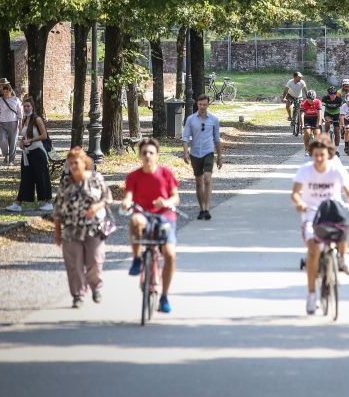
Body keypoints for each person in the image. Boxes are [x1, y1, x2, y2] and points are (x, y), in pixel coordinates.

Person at [291, 136, 349, 314]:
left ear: (328, 154)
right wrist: (299, 203)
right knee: (313, 250)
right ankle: (312, 295)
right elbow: (295, 193)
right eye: (315, 155)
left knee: (343, 225)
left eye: (322, 155)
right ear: (311, 155)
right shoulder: (305, 170)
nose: (319, 159)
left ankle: (344, 258)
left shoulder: (336, 170)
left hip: (332, 211)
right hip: (312, 214)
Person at [122, 137, 180, 314]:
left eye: (151, 153)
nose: (147, 156)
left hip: (165, 217)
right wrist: (126, 202)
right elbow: (129, 196)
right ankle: (137, 258)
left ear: (157, 155)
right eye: (144, 153)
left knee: (169, 254)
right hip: (144, 215)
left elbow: (176, 198)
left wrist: (166, 202)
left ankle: (164, 296)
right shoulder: (133, 176)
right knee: (134, 220)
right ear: (140, 155)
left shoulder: (166, 174)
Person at [52, 146, 112, 308]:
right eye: (70, 163)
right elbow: (57, 209)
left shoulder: (95, 178)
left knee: (95, 260)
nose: (73, 166)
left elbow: (107, 198)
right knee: (74, 264)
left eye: (76, 162)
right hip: (71, 230)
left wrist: (97, 207)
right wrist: (57, 233)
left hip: (94, 228)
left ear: (84, 162)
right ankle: (78, 295)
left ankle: (96, 287)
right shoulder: (65, 183)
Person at [7, 95, 52, 212]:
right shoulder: (25, 119)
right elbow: (25, 135)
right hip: (27, 153)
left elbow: (44, 135)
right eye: (24, 106)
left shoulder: (37, 119)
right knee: (26, 178)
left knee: (42, 177)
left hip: (38, 153)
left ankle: (48, 202)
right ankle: (18, 203)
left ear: (32, 107)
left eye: (28, 106)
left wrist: (30, 140)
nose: (26, 108)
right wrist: (22, 142)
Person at [182, 94, 223, 220]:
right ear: (197, 105)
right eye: (200, 104)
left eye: (205, 104)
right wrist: (185, 152)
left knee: (207, 179)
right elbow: (185, 137)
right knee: (199, 182)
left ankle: (207, 208)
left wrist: (219, 156)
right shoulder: (190, 119)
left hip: (208, 152)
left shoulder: (214, 120)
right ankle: (201, 208)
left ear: (208, 105)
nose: (202, 107)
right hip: (195, 153)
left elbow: (217, 139)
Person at [0, 80, 22, 165]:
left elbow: (20, 112)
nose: (5, 94)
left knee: (13, 142)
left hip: (13, 123)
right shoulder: (0, 100)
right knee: (2, 140)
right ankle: (6, 155)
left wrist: (20, 123)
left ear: (10, 91)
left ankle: (11, 160)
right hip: (2, 123)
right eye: (4, 92)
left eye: (7, 92)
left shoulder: (16, 100)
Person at [300, 90, 323, 155]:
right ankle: (307, 149)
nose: (311, 101)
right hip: (307, 118)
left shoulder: (318, 102)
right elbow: (302, 115)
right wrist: (302, 124)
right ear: (307, 99)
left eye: (313, 100)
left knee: (317, 133)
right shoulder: (303, 103)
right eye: (310, 100)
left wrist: (319, 124)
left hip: (315, 118)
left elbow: (319, 114)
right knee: (306, 132)